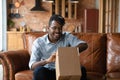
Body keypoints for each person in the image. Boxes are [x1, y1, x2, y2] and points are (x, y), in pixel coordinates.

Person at [29, 14, 88, 80]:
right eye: (54, 28)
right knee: (38, 72)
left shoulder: (67, 36)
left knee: (82, 70)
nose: (57, 31)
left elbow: (84, 45)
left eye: (60, 28)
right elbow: (32, 66)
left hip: (66, 71)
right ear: (48, 28)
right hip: (48, 71)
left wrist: (67, 52)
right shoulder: (39, 42)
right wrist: (47, 61)